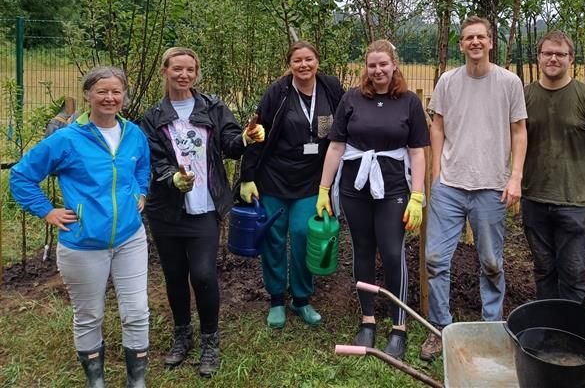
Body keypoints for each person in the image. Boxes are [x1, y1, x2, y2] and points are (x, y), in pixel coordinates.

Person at [11, 66, 151, 388]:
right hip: (83, 244)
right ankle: (96, 381)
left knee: (138, 310)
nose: (109, 97)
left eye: (116, 91)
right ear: (88, 94)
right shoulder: (66, 139)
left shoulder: (134, 134)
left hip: (130, 238)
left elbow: (142, 166)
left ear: (124, 96)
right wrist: (47, 211)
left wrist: (140, 192)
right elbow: (21, 176)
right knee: (89, 315)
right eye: (102, 91)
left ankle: (137, 381)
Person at [141, 47, 264, 378]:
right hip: (166, 211)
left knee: (204, 274)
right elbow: (154, 160)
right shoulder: (152, 117)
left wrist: (246, 137)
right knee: (175, 276)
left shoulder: (212, 107)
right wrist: (173, 178)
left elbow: (230, 144)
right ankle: (182, 334)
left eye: (190, 70)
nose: (184, 75)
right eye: (177, 69)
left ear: (196, 73)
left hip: (206, 206)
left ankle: (210, 338)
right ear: (165, 71)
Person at [421, 16, 527, 361]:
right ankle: (440, 329)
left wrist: (515, 177)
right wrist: (437, 171)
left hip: (491, 187)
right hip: (450, 186)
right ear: (461, 44)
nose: (475, 42)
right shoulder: (448, 82)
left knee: (492, 261)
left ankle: (491, 327)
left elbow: (519, 132)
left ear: (491, 42)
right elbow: (437, 127)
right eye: (469, 38)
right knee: (436, 259)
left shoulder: (509, 83)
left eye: (481, 37)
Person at [318, 40, 430, 361]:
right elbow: (336, 147)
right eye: (372, 65)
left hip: (394, 189)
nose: (378, 70)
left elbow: (417, 152)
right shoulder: (351, 99)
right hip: (355, 189)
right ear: (366, 68)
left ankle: (398, 324)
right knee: (362, 251)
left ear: (395, 64)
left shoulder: (408, 102)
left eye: (383, 64)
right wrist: (324, 189)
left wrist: (417, 195)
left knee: (393, 253)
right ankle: (367, 319)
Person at [238, 41, 344, 329]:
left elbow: (346, 123)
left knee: (302, 234)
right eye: (297, 60)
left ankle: (301, 299)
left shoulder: (331, 88)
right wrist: (247, 176)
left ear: (317, 61)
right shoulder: (279, 91)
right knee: (274, 237)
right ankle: (275, 300)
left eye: (309, 59)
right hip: (274, 177)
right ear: (290, 64)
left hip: (312, 179)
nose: (304, 65)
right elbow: (257, 132)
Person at [522, 30, 585, 302]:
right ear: (538, 57)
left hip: (574, 203)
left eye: (560, 54)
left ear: (571, 58)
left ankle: (572, 333)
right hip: (534, 199)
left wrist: (578, 177)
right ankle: (547, 329)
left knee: (573, 273)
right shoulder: (524, 96)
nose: (553, 58)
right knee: (543, 270)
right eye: (548, 53)